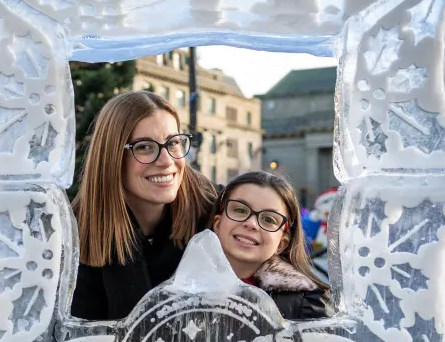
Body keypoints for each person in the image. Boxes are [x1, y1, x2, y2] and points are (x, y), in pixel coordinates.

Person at [72, 91, 217, 321]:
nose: (166, 160)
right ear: (113, 157)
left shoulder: (216, 212)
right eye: (144, 147)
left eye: (174, 143)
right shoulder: (73, 234)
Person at [212, 171, 332, 320]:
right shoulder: (182, 284)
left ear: (281, 244)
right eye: (240, 210)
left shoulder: (308, 305)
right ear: (217, 224)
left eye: (269, 219)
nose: (251, 224)